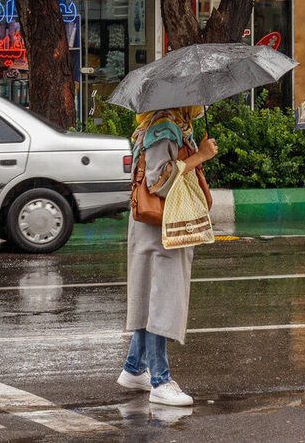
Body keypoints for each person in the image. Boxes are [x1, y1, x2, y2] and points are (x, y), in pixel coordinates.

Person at [117, 107, 217, 407]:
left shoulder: (175, 126)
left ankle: (135, 368)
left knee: (153, 297)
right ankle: (160, 380)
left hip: (161, 228)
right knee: (160, 299)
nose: (202, 105)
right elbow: (157, 182)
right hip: (158, 229)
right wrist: (199, 157)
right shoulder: (164, 130)